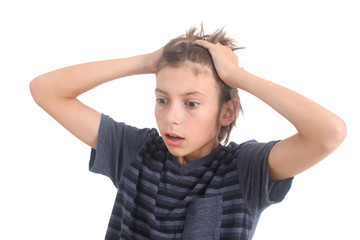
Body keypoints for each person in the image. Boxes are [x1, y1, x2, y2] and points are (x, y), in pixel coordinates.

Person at [30, 26, 346, 240]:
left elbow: (329, 133)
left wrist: (236, 75)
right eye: (162, 99)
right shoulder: (135, 150)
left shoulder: (245, 168)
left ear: (227, 112)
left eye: (191, 103)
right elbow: (45, 90)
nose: (172, 118)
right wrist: (145, 62)